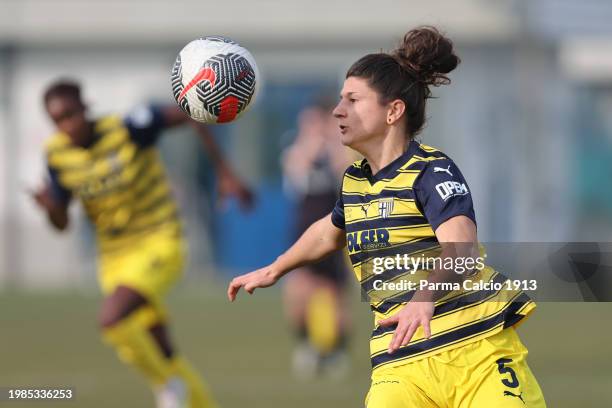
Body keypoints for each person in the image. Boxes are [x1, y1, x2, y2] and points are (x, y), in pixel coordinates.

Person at [228, 27, 546, 407]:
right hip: (400, 366)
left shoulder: (431, 171)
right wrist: (275, 268)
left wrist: (424, 297)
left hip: (477, 354)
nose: (337, 110)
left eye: (353, 100)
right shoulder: (355, 182)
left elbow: (462, 248)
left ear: (394, 111)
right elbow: (329, 232)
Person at [32, 79, 253, 408]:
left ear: (85, 106)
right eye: (58, 121)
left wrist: (224, 172)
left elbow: (192, 115)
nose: (67, 125)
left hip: (158, 241)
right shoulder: (56, 155)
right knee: (160, 348)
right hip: (114, 257)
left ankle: (167, 387)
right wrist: (51, 207)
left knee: (111, 318)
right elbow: (61, 223)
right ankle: (187, 393)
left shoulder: (128, 127)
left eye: (71, 115)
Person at [280, 99, 353, 378]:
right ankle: (306, 345)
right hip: (302, 230)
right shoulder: (294, 150)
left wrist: (334, 141)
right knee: (298, 294)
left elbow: (343, 172)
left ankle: (337, 352)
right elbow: (297, 169)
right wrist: (312, 141)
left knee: (334, 296)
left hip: (334, 233)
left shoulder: (340, 149)